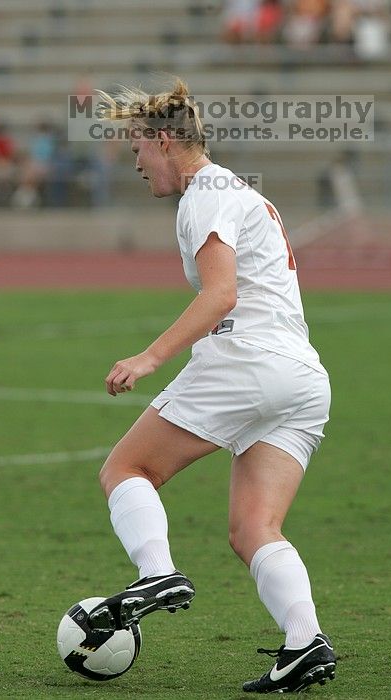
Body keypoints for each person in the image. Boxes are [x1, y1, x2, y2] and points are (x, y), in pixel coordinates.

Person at [87, 78, 336, 694]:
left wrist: (150, 357)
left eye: (138, 149)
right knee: (254, 529)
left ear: (165, 141)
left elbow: (222, 293)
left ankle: (157, 572)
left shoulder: (206, 191)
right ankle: (306, 644)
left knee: (126, 470)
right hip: (302, 377)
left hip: (248, 362)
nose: (136, 164)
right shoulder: (235, 189)